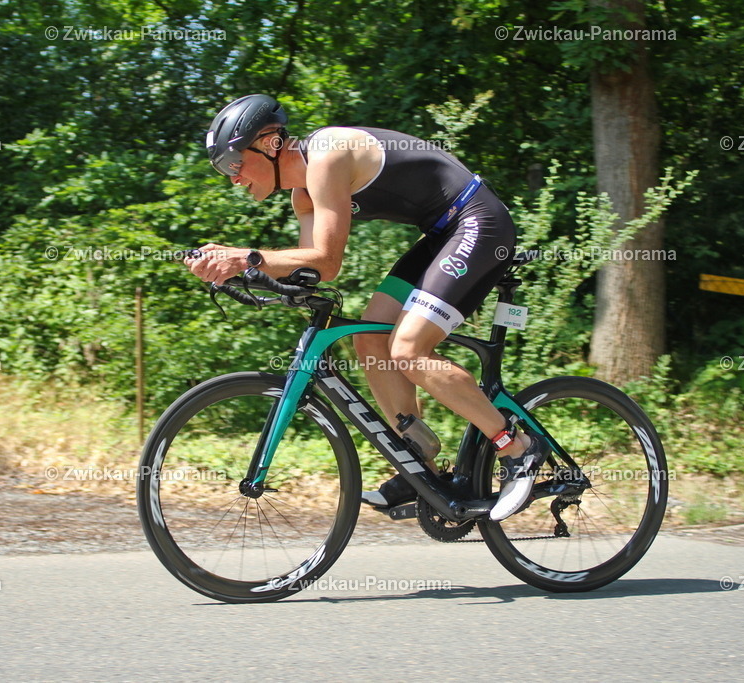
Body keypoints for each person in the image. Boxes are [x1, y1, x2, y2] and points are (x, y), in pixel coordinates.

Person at [187, 94, 549, 521]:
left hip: (477, 222)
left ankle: (518, 448)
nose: (233, 178)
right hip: (440, 235)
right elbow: (313, 269)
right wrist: (241, 271)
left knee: (408, 350)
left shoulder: (327, 156)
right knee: (369, 339)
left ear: (268, 143)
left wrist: (244, 256)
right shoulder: (302, 194)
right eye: (223, 170)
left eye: (233, 163)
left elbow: (326, 258)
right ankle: (421, 466)